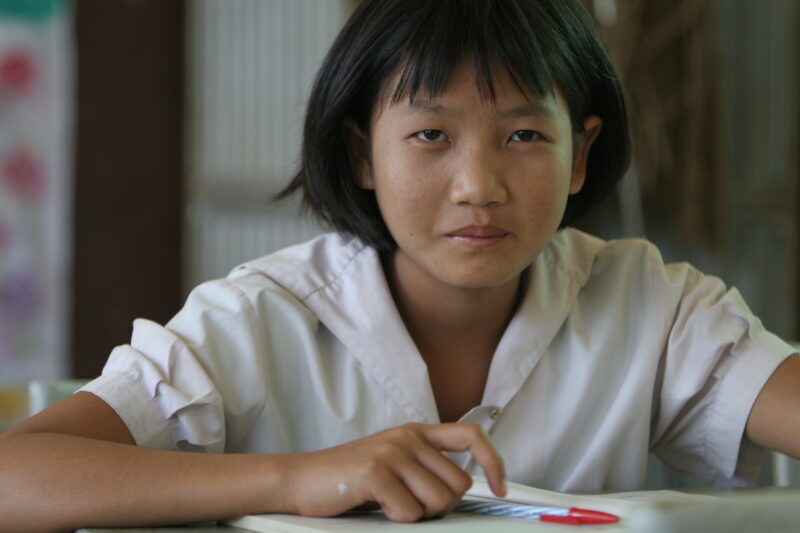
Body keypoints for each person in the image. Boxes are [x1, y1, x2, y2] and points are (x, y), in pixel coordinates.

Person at [2, 0, 799, 531]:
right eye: (431, 135)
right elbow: (15, 473)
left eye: (525, 135)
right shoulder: (257, 320)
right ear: (362, 154)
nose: (478, 187)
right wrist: (292, 479)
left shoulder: (653, 305)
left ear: (582, 154)